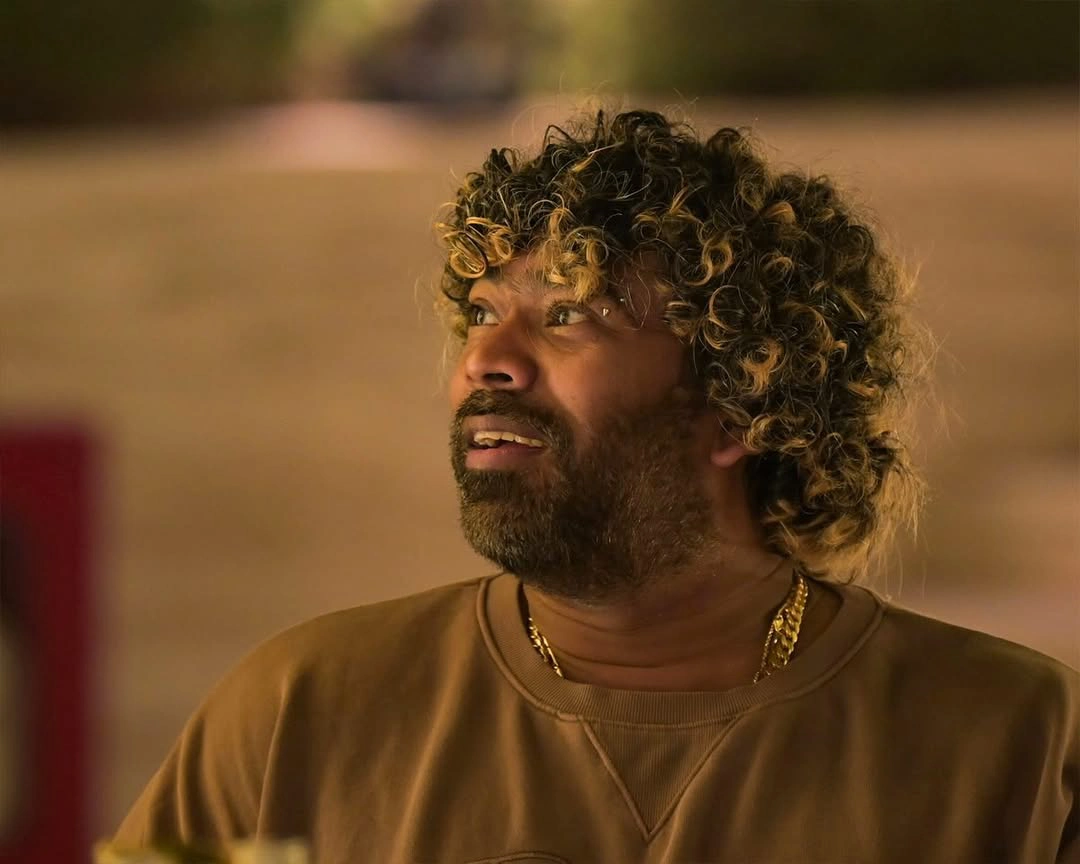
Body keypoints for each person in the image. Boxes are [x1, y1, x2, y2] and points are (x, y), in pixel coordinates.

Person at [113, 109, 1078, 863]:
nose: (484, 361)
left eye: (569, 314)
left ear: (739, 402)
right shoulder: (294, 711)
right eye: (481, 313)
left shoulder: (1020, 744)